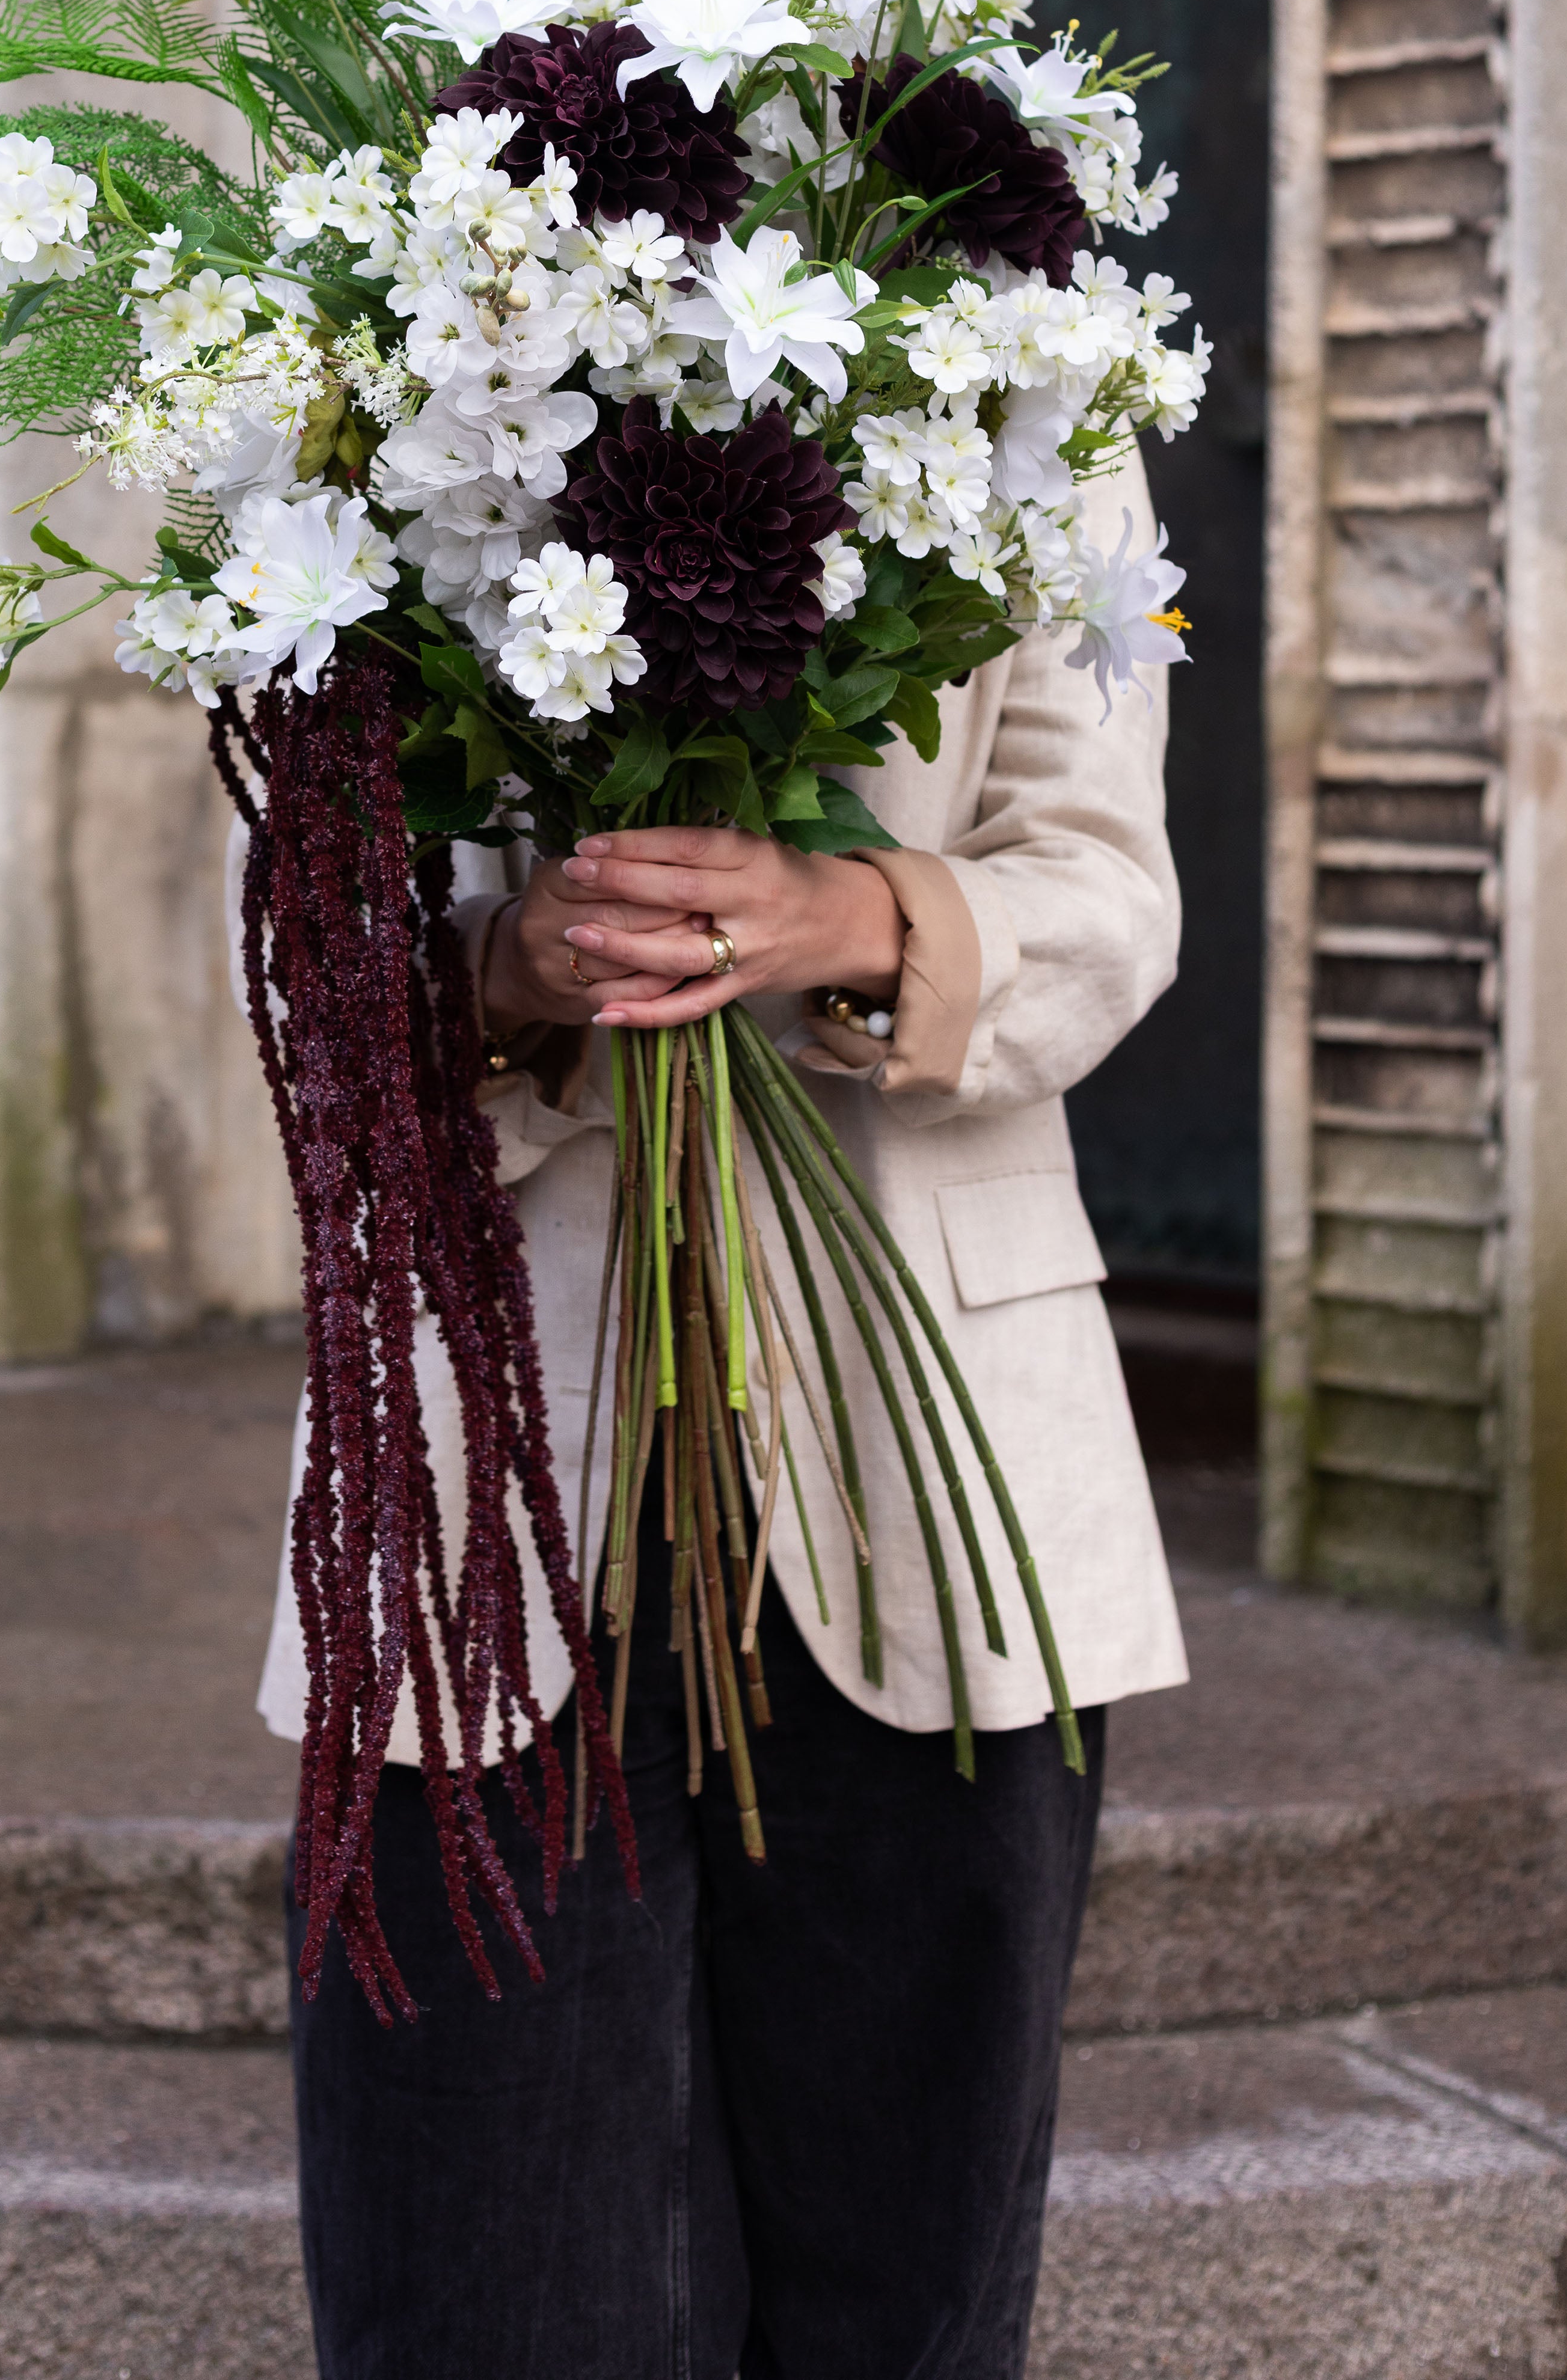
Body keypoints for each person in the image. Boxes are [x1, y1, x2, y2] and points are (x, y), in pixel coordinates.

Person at [259, 451, 1189, 2379]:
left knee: (903, 2284)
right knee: (484, 2262)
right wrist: (517, 967)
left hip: (934, 1447)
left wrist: (843, 917)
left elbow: (1104, 894)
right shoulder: (373, 399)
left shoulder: (1032, 373)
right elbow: (300, 958)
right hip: (495, 1463)